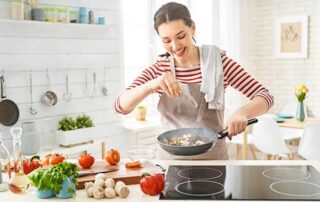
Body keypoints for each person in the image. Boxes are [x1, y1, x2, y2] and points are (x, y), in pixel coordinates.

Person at [114, 2, 274, 160]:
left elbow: (265, 96)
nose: (175, 46)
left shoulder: (219, 63)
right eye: (166, 40)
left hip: (213, 162)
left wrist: (242, 113)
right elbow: (120, 106)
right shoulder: (160, 68)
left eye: (181, 36)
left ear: (192, 28)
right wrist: (152, 84)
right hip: (170, 163)